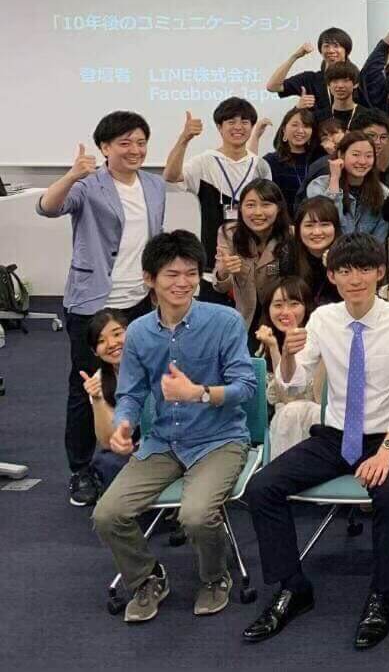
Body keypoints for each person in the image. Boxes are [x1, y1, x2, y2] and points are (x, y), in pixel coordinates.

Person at [242, 233, 389, 650]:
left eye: (363, 269)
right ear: (331, 276)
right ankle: (293, 587)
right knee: (262, 487)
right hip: (336, 435)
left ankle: (381, 594)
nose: (354, 279)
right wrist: (287, 354)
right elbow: (293, 383)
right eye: (344, 271)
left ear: (380, 272)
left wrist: (387, 451)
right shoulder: (324, 318)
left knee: (388, 497)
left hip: (386, 435)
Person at [92, 231, 256, 624]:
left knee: (195, 515)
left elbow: (246, 387)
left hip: (219, 440)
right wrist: (124, 424)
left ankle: (215, 577)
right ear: (149, 279)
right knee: (107, 514)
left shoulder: (225, 321)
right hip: (164, 441)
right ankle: (147, 577)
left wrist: (199, 393)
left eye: (191, 273)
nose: (183, 282)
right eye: (172, 274)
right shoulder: (139, 332)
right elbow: (130, 393)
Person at [38, 111, 169, 506]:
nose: (135, 150)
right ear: (105, 147)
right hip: (93, 302)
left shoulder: (154, 185)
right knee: (87, 386)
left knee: (141, 380)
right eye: (125, 143)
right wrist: (72, 175)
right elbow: (47, 207)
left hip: (139, 301)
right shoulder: (89, 184)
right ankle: (81, 470)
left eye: (141, 142)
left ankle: (138, 457)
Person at [163, 99, 273, 302]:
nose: (238, 127)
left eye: (245, 122)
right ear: (219, 127)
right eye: (231, 122)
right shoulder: (204, 162)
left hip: (253, 268)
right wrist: (185, 138)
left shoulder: (260, 166)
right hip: (213, 268)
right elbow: (171, 176)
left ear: (251, 126)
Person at [250, 275, 322, 459]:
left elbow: (293, 398)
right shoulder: (263, 344)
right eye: (278, 305)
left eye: (294, 304)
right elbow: (282, 396)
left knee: (293, 411)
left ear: (307, 307)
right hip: (281, 430)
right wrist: (274, 347)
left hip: (314, 427)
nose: (285, 312)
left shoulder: (319, 342)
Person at [215, 178, 301, 328]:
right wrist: (223, 271)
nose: (258, 213)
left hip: (283, 318)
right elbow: (220, 287)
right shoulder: (229, 233)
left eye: (266, 205)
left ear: (279, 208)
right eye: (250, 205)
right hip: (245, 319)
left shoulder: (292, 235)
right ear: (240, 208)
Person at [303, 130, 389, 240]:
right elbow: (328, 222)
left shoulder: (382, 192)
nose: (362, 161)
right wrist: (334, 179)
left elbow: (379, 239)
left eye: (368, 156)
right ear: (341, 155)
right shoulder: (318, 186)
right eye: (355, 155)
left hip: (367, 250)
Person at [80, 311, 132, 489]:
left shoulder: (156, 362)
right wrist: (97, 399)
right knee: (106, 461)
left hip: (167, 442)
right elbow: (108, 441)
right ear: (94, 351)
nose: (111, 344)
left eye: (117, 334)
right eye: (101, 341)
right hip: (132, 447)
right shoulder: (98, 380)